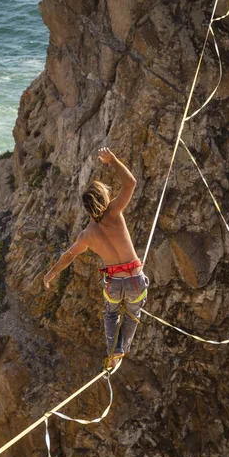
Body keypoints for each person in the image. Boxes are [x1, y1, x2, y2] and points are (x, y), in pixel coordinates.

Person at [44, 147, 148, 368]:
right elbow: (131, 183)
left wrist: (51, 273)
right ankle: (121, 352)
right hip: (135, 280)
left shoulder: (87, 235)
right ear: (105, 198)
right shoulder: (115, 212)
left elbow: (68, 256)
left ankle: (114, 352)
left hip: (114, 284)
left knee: (111, 316)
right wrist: (113, 160)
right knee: (131, 316)